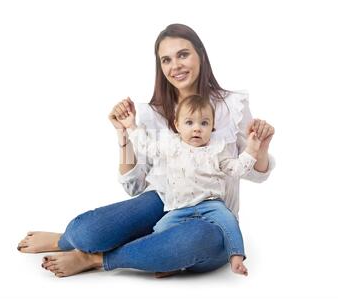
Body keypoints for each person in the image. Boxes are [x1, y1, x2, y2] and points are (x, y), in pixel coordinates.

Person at [17, 23, 275, 278]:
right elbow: (135, 186)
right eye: (166, 60)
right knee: (88, 232)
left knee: (192, 241)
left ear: (201, 55)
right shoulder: (151, 114)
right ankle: (68, 241)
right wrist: (123, 133)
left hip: (211, 214)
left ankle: (97, 258)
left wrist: (259, 147)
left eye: (183, 54)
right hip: (164, 201)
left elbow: (253, 172)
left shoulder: (232, 105)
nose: (175, 66)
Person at [125, 94, 262, 276]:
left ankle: (236, 257)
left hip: (212, 204)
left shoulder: (217, 149)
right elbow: (146, 146)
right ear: (177, 125)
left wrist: (252, 149)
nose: (197, 129)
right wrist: (131, 126)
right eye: (189, 123)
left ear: (212, 127)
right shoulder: (171, 145)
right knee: (160, 230)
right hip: (180, 207)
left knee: (229, 221)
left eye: (204, 123)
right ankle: (168, 262)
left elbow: (237, 169)